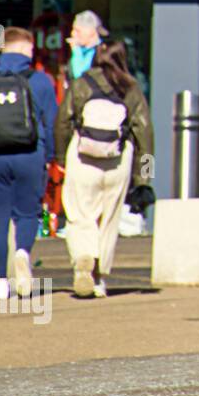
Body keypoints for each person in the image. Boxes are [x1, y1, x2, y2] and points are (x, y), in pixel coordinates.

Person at [0, 27, 59, 300]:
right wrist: (51, 157)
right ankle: (23, 253)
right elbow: (52, 124)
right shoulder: (40, 81)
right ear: (25, 49)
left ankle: (1, 282)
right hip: (30, 154)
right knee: (28, 214)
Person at [54, 40, 154, 298]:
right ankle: (98, 278)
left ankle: (83, 258)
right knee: (108, 219)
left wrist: (60, 157)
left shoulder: (81, 84)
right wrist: (144, 177)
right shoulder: (131, 89)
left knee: (79, 214)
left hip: (83, 155)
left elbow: (63, 121)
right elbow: (145, 133)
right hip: (118, 160)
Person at [66, 10, 107, 85]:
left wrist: (76, 50)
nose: (73, 33)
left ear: (91, 31)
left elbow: (79, 76)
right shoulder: (80, 51)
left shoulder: (102, 53)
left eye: (78, 31)